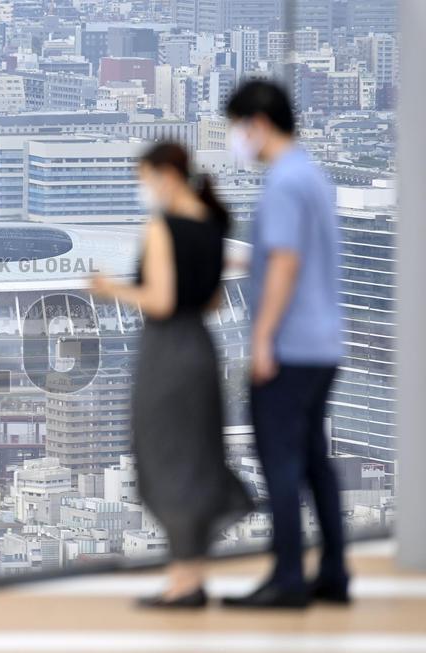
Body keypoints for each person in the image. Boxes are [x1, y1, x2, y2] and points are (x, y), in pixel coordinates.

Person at [91, 142, 252, 609]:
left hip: (167, 351)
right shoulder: (212, 224)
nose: (143, 189)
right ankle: (191, 575)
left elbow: (160, 301)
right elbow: (214, 301)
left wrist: (111, 289)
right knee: (195, 456)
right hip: (200, 346)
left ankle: (183, 583)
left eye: (144, 178)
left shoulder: (163, 228)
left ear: (164, 175)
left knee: (165, 458)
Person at [221, 80, 350, 609]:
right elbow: (291, 257)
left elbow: (287, 263)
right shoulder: (312, 175)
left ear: (258, 123)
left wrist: (264, 339)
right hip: (324, 344)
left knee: (280, 463)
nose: (236, 139)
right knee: (316, 460)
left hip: (292, 347)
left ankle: (288, 579)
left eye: (237, 127)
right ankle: (334, 574)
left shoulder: (282, 184)